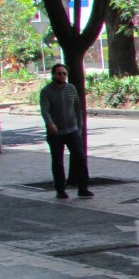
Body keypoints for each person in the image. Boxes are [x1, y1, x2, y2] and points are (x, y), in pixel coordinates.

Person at [40, 64, 91, 199]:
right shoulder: (46, 91)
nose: (62, 76)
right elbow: (45, 110)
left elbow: (77, 108)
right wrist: (50, 123)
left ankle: (83, 188)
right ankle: (60, 189)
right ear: (53, 75)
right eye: (59, 74)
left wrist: (79, 126)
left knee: (80, 158)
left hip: (72, 130)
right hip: (56, 133)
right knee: (57, 161)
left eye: (64, 74)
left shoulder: (71, 88)